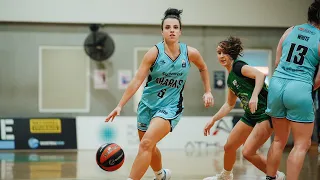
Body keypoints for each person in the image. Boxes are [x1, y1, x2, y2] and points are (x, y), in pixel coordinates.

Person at [105, 8, 214, 180]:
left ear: (180, 31)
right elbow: (136, 80)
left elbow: (203, 67)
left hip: (170, 107)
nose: (172, 30)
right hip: (147, 105)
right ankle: (160, 175)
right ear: (162, 31)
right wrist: (120, 105)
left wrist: (208, 91)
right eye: (168, 27)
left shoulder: (190, 53)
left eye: (175, 27)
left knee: (147, 143)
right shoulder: (154, 53)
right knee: (148, 145)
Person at [202, 36, 285, 180]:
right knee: (229, 147)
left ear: (232, 54)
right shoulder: (230, 79)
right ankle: (226, 176)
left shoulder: (239, 66)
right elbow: (229, 104)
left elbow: (260, 75)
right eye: (219, 52)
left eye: (224, 52)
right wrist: (213, 119)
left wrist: (254, 96)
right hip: (250, 115)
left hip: (264, 115)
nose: (221, 56)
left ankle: (275, 175)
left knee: (248, 152)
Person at [265, 1, 320, 180]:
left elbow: (277, 61)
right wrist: (304, 88)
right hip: (299, 87)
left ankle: (270, 178)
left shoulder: (291, 30)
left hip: (277, 84)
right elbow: (319, 79)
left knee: (279, 140)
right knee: (302, 144)